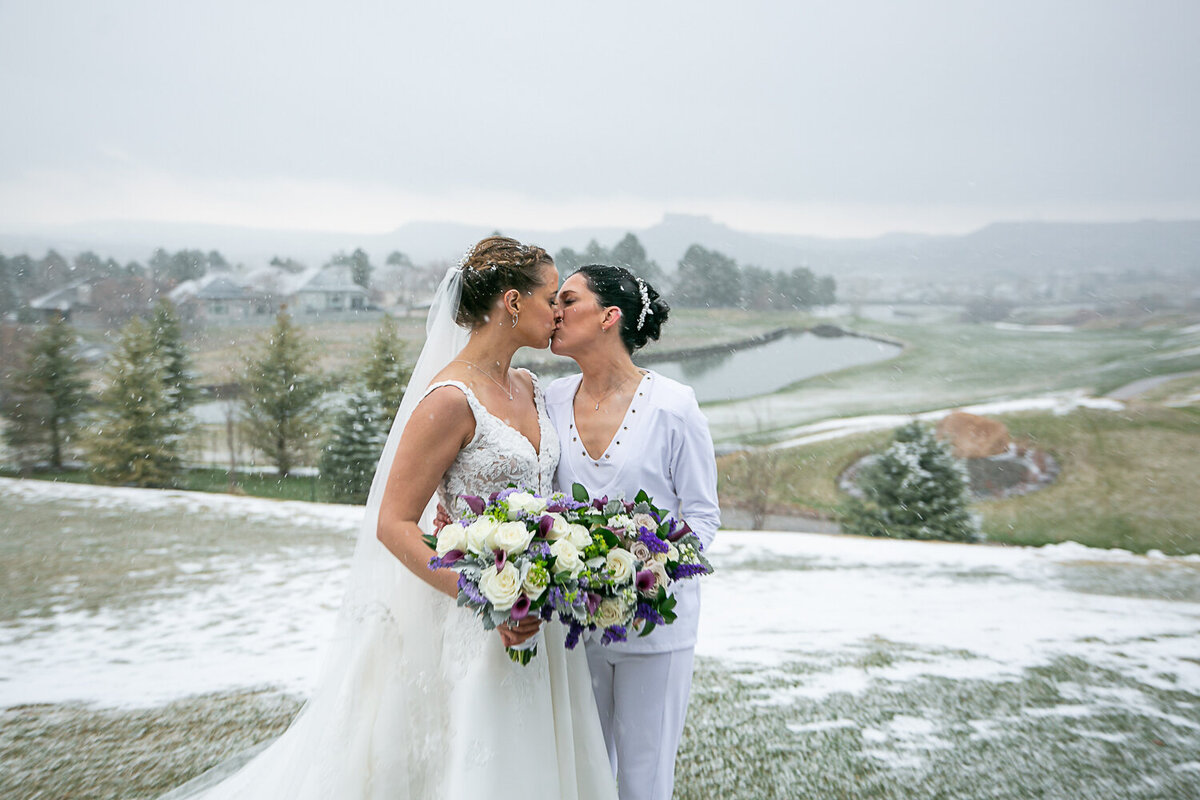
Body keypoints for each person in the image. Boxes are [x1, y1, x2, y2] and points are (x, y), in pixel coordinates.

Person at [161, 238, 616, 800]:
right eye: (553, 299)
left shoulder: (528, 386)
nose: (559, 314)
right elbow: (393, 522)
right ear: (513, 302)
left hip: (537, 613)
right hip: (475, 613)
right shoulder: (449, 399)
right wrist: (486, 593)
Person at [545, 265, 720, 800]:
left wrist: (645, 568)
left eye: (567, 300)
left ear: (608, 317)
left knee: (644, 783)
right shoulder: (548, 399)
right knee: (582, 778)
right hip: (573, 625)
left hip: (657, 628)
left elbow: (703, 515)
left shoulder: (674, 405)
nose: (554, 311)